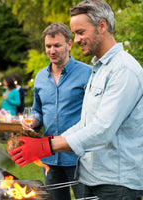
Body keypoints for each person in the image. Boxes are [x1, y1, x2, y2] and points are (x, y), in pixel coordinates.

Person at [10, 1, 143, 199]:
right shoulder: (100, 69)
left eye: (81, 32)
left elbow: (102, 130)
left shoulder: (123, 69)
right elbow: (86, 124)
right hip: (94, 177)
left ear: (102, 26)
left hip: (116, 183)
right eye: (75, 34)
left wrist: (46, 146)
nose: (77, 39)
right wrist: (45, 142)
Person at [21, 22, 92, 200]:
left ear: (69, 45)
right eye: (48, 46)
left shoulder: (88, 73)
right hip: (49, 158)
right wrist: (34, 121)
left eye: (57, 45)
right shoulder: (39, 77)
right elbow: (38, 110)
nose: (52, 50)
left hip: (79, 157)